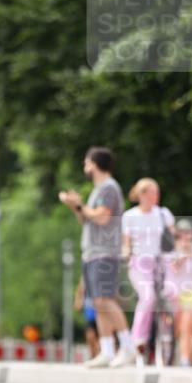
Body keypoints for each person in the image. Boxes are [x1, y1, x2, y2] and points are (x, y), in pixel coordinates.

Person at [59, 146, 135, 367]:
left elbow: (102, 218)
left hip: (105, 252)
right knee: (97, 303)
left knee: (105, 300)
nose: (85, 166)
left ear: (94, 164)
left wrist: (80, 205)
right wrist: (75, 207)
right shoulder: (97, 190)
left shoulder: (109, 189)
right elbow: (86, 220)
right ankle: (107, 350)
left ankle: (127, 346)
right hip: (92, 251)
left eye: (86, 162)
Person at [121, 178, 175, 363]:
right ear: (142, 195)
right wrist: (126, 254)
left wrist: (180, 252)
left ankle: (168, 333)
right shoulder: (130, 216)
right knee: (148, 297)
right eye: (152, 192)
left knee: (172, 293)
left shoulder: (163, 214)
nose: (156, 196)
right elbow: (126, 243)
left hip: (159, 261)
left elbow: (173, 236)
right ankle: (137, 339)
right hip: (139, 262)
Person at [164, 219, 192, 367]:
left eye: (188, 233)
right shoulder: (171, 252)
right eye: (182, 233)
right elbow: (174, 269)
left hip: (191, 290)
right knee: (176, 328)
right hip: (174, 291)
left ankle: (185, 359)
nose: (185, 236)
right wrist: (183, 257)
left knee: (188, 326)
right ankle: (171, 350)